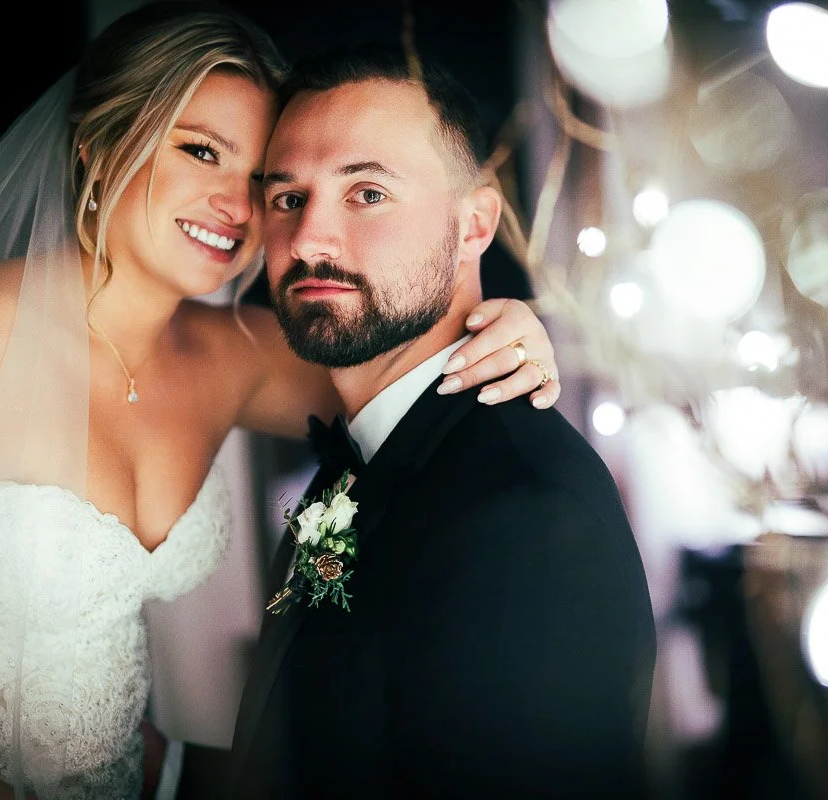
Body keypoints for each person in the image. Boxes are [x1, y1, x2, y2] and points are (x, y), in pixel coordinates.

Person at [0, 5, 565, 799]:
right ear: (100, 148)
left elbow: (404, 357)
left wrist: (512, 324)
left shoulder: (235, 355)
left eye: (259, 183)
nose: (235, 208)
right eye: (201, 151)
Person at [225, 44, 657, 799]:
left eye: (367, 194)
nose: (310, 240)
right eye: (288, 199)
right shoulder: (360, 461)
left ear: (473, 225)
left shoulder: (525, 513)